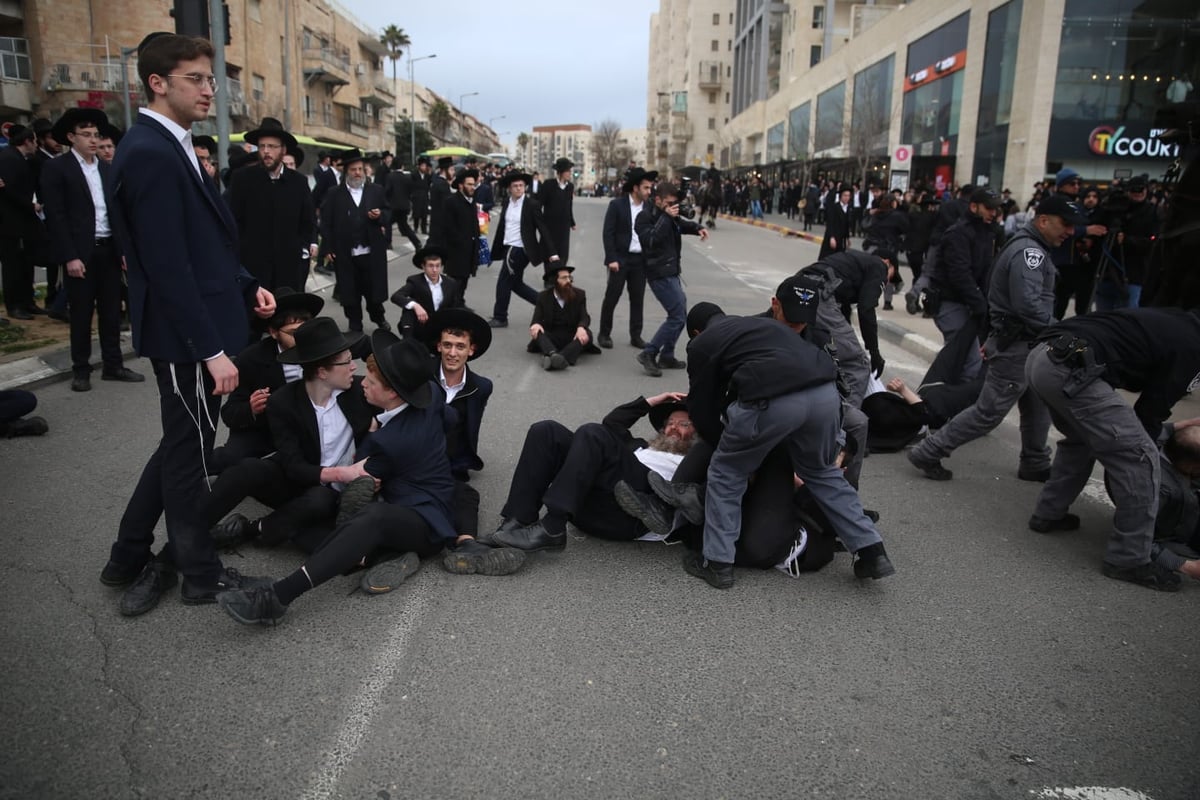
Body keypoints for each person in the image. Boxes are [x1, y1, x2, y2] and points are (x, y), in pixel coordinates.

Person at [99, 32, 277, 612]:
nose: (210, 90)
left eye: (210, 78)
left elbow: (205, 247)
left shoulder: (174, 145)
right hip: (185, 338)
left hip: (201, 324)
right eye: (196, 79)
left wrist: (250, 287)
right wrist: (211, 350)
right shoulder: (150, 151)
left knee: (183, 445)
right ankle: (201, 574)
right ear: (157, 83)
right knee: (189, 457)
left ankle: (127, 554)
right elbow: (166, 268)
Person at [215, 334, 459, 625]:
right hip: (419, 493)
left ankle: (279, 595)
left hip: (423, 519)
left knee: (368, 518)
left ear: (393, 393)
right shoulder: (430, 392)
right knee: (305, 525)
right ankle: (376, 556)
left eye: (370, 382)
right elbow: (451, 419)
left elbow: (357, 484)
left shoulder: (390, 443)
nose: (362, 384)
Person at [679, 300, 894, 589]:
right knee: (821, 471)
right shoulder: (761, 325)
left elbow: (702, 407)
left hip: (775, 398)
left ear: (695, 332)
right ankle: (872, 551)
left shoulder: (701, 344)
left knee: (727, 470)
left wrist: (725, 445)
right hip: (825, 397)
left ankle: (717, 563)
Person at [1025, 308, 1200, 591]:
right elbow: (1149, 413)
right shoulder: (1194, 350)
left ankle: (1048, 514)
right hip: (1072, 369)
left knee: (1080, 441)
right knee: (1140, 457)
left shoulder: (1181, 324)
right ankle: (1129, 558)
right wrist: (1153, 455)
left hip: (1043, 358)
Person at [907, 194, 1075, 483]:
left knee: (1038, 404)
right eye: (1065, 224)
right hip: (1018, 346)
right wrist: (1061, 330)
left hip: (1031, 345)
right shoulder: (1028, 253)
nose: (1070, 232)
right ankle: (929, 451)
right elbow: (1027, 305)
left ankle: (1035, 461)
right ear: (1043, 220)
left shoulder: (1029, 247)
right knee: (987, 413)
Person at [201, 316, 377, 560]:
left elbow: (403, 396)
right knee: (246, 469)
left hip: (337, 496)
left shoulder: (361, 391)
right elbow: (294, 466)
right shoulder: (283, 401)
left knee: (320, 507)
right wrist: (340, 473)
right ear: (322, 371)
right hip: (303, 479)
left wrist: (377, 427)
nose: (353, 367)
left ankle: (251, 529)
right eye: (346, 362)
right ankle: (187, 537)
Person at [483, 393, 696, 551]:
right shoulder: (638, 446)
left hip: (631, 518)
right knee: (546, 431)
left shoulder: (696, 461)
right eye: (670, 423)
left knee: (593, 433)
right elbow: (612, 423)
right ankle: (515, 523)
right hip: (586, 508)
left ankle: (552, 526)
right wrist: (651, 402)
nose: (674, 428)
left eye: (684, 424)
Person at [39, 107, 144, 393]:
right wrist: (70, 256)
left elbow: (117, 213)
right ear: (71, 137)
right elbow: (56, 216)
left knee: (111, 312)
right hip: (80, 253)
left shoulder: (107, 169)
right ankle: (81, 369)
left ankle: (113, 365)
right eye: (86, 135)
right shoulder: (57, 168)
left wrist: (123, 251)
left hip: (109, 249)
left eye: (96, 135)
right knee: (82, 314)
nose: (93, 140)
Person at [421, 308, 525, 576]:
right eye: (447, 345)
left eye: (460, 346)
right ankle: (426, 546)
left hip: (451, 463)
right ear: (438, 346)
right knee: (425, 495)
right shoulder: (422, 375)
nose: (452, 353)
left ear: (472, 350)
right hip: (416, 457)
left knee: (465, 495)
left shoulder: (482, 387)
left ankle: (467, 545)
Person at [210, 287, 322, 472]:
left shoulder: (323, 348)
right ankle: (182, 469)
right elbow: (230, 412)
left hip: (312, 427)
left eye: (306, 330)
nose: (302, 338)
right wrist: (251, 408)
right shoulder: (251, 359)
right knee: (231, 458)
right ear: (273, 332)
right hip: (265, 429)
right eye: (294, 333)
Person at [227, 117, 317, 293]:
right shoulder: (242, 179)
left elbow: (307, 221)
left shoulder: (298, 182)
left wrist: (301, 249)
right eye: (262, 146)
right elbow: (233, 221)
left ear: (283, 150)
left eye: (272, 147)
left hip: (289, 270)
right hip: (254, 270)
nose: (266, 152)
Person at [798, 249, 893, 406]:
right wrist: (874, 352)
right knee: (857, 363)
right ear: (888, 262)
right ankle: (845, 422)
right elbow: (866, 308)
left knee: (816, 352)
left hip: (801, 288)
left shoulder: (852, 264)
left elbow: (843, 313)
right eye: (891, 277)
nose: (887, 282)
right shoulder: (879, 266)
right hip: (820, 294)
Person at [634, 181, 708, 377]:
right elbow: (651, 241)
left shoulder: (668, 215)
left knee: (680, 315)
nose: (672, 206)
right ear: (657, 200)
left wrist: (697, 227)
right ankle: (649, 353)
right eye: (668, 202)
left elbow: (681, 225)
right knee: (676, 316)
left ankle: (667, 355)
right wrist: (667, 217)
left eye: (674, 203)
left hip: (672, 271)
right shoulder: (644, 217)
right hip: (658, 274)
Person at [925, 187, 1001, 381]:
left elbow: (985, 272)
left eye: (996, 209)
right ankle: (947, 405)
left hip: (970, 304)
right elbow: (959, 274)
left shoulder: (987, 232)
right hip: (950, 302)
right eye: (989, 208)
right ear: (974, 207)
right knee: (970, 363)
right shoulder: (959, 233)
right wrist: (980, 303)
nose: (993, 213)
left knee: (958, 361)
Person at [319, 148, 392, 333]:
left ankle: (379, 317)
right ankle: (355, 324)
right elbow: (326, 223)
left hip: (371, 252)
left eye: (360, 169)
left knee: (373, 291)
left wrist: (380, 215)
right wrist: (327, 247)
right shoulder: (334, 194)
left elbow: (388, 213)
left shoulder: (376, 190)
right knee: (350, 292)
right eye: (353, 170)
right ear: (346, 172)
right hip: (346, 253)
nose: (358, 173)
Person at [488, 171, 560, 328]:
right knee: (516, 284)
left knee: (503, 282)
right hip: (508, 247)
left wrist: (552, 252)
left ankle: (500, 317)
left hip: (520, 249)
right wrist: (495, 251)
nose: (519, 188)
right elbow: (502, 228)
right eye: (515, 186)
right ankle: (549, 305)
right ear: (509, 188)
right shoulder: (507, 203)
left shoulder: (531, 205)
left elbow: (543, 228)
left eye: (521, 185)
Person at [598, 167, 656, 350]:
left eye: (650, 188)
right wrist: (611, 258)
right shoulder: (617, 205)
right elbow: (608, 233)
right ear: (635, 188)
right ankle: (604, 333)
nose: (649, 191)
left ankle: (636, 335)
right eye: (646, 188)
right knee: (612, 297)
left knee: (638, 299)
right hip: (620, 259)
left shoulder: (650, 207)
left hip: (640, 261)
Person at [0, 124, 43, 320]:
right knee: (13, 265)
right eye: (34, 141)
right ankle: (15, 305)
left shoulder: (23, 159)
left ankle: (27, 302)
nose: (36, 145)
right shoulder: (8, 158)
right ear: (27, 141)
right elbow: (9, 190)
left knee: (26, 263)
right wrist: (30, 205)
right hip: (11, 223)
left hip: (22, 222)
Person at [527, 263, 600, 370]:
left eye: (569, 277)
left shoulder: (579, 294)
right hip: (553, 336)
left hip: (572, 335)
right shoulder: (543, 297)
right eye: (564, 278)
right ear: (554, 281)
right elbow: (536, 319)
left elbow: (584, 317)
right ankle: (555, 355)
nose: (569, 281)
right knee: (538, 332)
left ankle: (552, 357)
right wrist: (536, 325)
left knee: (586, 334)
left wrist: (581, 327)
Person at [390, 245, 465, 339]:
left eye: (438, 266)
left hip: (441, 328)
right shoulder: (415, 281)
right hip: (420, 326)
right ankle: (407, 343)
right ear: (423, 266)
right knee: (408, 308)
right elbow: (396, 296)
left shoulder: (450, 283)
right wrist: (416, 306)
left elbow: (456, 306)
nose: (434, 270)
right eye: (430, 266)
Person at [437, 168, 481, 299]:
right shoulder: (451, 202)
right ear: (461, 185)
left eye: (474, 184)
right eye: (469, 184)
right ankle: (451, 308)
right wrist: (460, 242)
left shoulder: (472, 202)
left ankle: (459, 303)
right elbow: (447, 228)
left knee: (464, 282)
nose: (473, 187)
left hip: (470, 251)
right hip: (456, 252)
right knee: (455, 283)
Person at [538, 157, 576, 263]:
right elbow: (539, 204)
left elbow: (569, 205)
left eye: (570, 171)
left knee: (563, 254)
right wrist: (539, 221)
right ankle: (549, 278)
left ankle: (560, 277)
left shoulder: (570, 187)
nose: (569, 173)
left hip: (564, 226)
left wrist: (572, 222)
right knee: (549, 253)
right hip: (550, 226)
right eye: (567, 171)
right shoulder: (548, 185)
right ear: (560, 172)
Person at [384, 159, 421, 250]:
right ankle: (416, 242)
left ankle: (388, 243)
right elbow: (410, 191)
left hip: (393, 206)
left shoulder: (390, 177)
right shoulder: (407, 177)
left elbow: (387, 190)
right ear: (402, 166)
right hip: (404, 206)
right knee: (404, 225)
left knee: (388, 222)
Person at [818, 187, 851, 260]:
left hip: (841, 238)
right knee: (828, 257)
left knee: (838, 258)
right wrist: (832, 237)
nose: (847, 198)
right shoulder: (835, 207)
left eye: (848, 196)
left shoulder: (848, 208)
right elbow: (830, 223)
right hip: (833, 236)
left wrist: (847, 238)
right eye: (845, 195)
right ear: (841, 196)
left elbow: (846, 225)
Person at [410, 155, 432, 235]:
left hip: (425, 197)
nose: (424, 167)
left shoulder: (427, 176)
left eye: (425, 166)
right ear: (419, 166)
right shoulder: (414, 175)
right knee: (416, 213)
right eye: (422, 166)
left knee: (424, 214)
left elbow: (429, 185)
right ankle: (415, 227)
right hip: (416, 197)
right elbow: (411, 186)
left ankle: (424, 229)